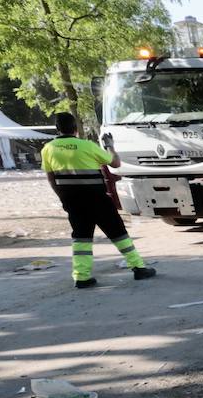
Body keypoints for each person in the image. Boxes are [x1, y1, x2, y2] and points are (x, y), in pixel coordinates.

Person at [40, 112, 154, 288]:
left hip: (72, 200)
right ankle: (138, 267)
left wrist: (63, 197)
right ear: (75, 128)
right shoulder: (87, 146)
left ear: (57, 129)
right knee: (118, 232)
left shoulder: (48, 149)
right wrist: (110, 146)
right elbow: (115, 163)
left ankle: (82, 277)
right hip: (97, 199)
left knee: (81, 238)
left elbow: (51, 177)